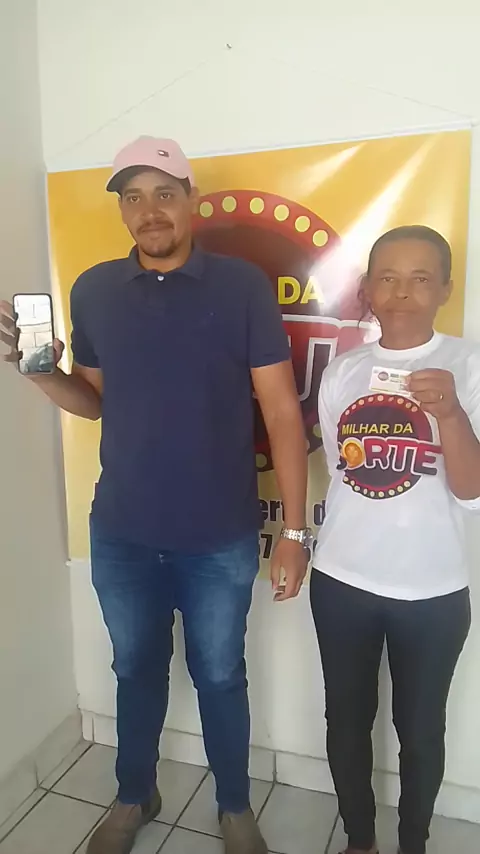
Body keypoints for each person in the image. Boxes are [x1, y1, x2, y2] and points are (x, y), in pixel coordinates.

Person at [0, 136, 310, 854]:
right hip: (123, 531)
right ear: (122, 210)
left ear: (190, 200)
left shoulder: (241, 287)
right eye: (133, 198)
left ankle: (234, 806)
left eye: (164, 193)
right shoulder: (93, 290)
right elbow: (94, 402)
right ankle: (134, 793)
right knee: (134, 670)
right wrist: (39, 373)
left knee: (220, 674)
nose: (149, 211)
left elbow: (282, 412)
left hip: (219, 534)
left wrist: (294, 533)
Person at [310, 225, 478, 854]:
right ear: (368, 289)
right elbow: (343, 472)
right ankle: (360, 841)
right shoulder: (343, 372)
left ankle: (413, 844)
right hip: (341, 580)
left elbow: (473, 494)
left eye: (420, 278)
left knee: (421, 732)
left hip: (432, 590)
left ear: (445, 290)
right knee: (346, 722)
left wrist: (451, 414)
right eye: (387, 277)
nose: (402, 292)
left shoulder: (470, 366)